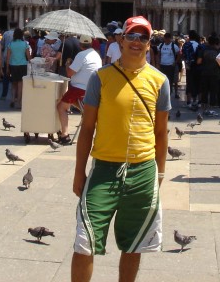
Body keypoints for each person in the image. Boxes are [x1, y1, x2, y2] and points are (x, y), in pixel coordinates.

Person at [72, 16, 169, 282]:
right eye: (132, 36)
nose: (137, 42)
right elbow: (87, 128)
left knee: (134, 244)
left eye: (143, 38)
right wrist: (79, 172)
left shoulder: (160, 81)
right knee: (84, 241)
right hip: (104, 169)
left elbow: (161, 132)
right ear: (120, 39)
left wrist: (159, 174)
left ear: (149, 44)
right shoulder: (100, 78)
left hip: (143, 171)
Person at [57, 35, 102, 145]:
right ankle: (85, 112)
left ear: (80, 45)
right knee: (75, 104)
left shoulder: (81, 55)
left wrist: (68, 64)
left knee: (61, 107)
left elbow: (70, 73)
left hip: (80, 88)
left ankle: (64, 134)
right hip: (93, 88)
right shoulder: (96, 55)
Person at [5, 28, 31, 109]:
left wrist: (7, 68)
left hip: (13, 65)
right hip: (23, 65)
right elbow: (28, 56)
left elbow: (8, 57)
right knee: (20, 84)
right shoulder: (25, 44)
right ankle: (19, 102)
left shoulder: (11, 44)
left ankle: (12, 99)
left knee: (13, 84)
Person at [156, 32, 180, 99]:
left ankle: (169, 93)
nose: (166, 40)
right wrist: (158, 63)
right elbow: (158, 54)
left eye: (167, 39)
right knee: (162, 80)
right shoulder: (161, 45)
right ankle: (163, 93)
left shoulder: (174, 46)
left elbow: (179, 54)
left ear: (170, 39)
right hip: (162, 65)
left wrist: (175, 62)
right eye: (165, 38)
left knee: (171, 80)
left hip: (170, 65)